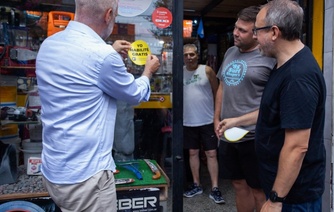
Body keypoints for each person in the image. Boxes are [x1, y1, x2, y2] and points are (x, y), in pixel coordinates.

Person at [35, 0, 160, 211]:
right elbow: (135, 94)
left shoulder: (49, 44)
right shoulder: (103, 56)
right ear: (108, 14)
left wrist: (109, 51)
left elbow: (82, 70)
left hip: (55, 172)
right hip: (86, 179)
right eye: (116, 15)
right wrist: (148, 71)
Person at [254, 0, 327, 211]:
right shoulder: (284, 65)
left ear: (274, 32)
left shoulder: (298, 77)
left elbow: (297, 147)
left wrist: (276, 199)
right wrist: (239, 120)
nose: (255, 36)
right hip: (283, 190)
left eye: (257, 30)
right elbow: (278, 112)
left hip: (293, 198)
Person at [214, 6, 276, 212]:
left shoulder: (269, 57)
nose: (235, 33)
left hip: (255, 136)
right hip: (228, 135)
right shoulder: (231, 52)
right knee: (238, 185)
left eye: (242, 30)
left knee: (258, 190)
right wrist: (216, 119)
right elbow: (222, 86)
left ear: (256, 33)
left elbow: (274, 104)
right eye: (235, 27)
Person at [182, 44, 224, 204]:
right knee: (192, 153)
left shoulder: (207, 70)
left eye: (192, 54)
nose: (189, 57)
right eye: (186, 55)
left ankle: (215, 188)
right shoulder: (180, 72)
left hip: (207, 120)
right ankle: (196, 184)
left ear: (197, 55)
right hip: (188, 121)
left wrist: (217, 117)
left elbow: (217, 92)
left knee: (211, 154)